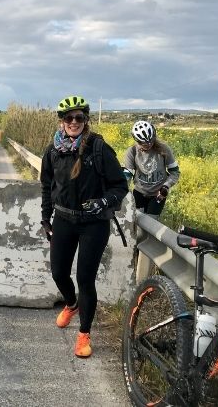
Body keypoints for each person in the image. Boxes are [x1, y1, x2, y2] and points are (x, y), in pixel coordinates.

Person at [39, 95, 128, 358]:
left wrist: (103, 201)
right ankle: (71, 304)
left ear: (85, 120)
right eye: (69, 118)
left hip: (94, 224)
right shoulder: (53, 150)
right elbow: (47, 186)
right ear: (62, 122)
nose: (74, 122)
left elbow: (120, 186)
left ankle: (84, 334)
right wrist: (46, 219)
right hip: (64, 219)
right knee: (58, 273)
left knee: (85, 279)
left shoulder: (99, 148)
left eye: (79, 118)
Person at [123, 120, 180, 217]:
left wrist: (166, 186)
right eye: (144, 143)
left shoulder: (164, 149)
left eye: (151, 141)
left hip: (158, 193)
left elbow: (175, 172)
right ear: (137, 141)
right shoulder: (132, 151)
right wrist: (122, 191)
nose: (149, 144)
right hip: (139, 193)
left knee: (151, 222)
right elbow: (127, 175)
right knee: (138, 222)